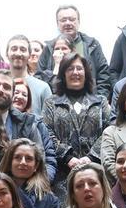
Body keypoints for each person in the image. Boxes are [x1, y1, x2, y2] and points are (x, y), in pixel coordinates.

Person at [40, 54, 114, 193]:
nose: (75, 72)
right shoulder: (51, 102)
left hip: (96, 173)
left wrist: (91, 157)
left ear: (86, 73)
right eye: (70, 69)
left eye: (79, 68)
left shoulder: (100, 101)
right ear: (63, 73)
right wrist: (68, 158)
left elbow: (109, 131)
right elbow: (47, 132)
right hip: (62, 177)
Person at [0, 70, 57, 181]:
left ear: (12, 92)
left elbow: (40, 165)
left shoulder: (28, 125)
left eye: (6, 87)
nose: (0, 90)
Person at [37, 5, 112, 99]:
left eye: (72, 19)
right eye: (63, 20)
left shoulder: (92, 44)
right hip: (56, 103)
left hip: (90, 101)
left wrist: (100, 100)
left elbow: (103, 75)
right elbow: (39, 78)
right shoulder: (49, 47)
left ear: (78, 22)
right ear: (57, 23)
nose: (68, 23)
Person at [0, 137, 62, 208]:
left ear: (36, 165)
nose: (23, 162)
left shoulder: (50, 201)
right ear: (9, 163)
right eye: (17, 157)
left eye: (28, 158)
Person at [7, 35, 52, 116]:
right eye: (14, 49)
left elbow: (49, 125)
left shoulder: (43, 88)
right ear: (7, 54)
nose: (18, 53)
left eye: (23, 50)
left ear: (29, 55)